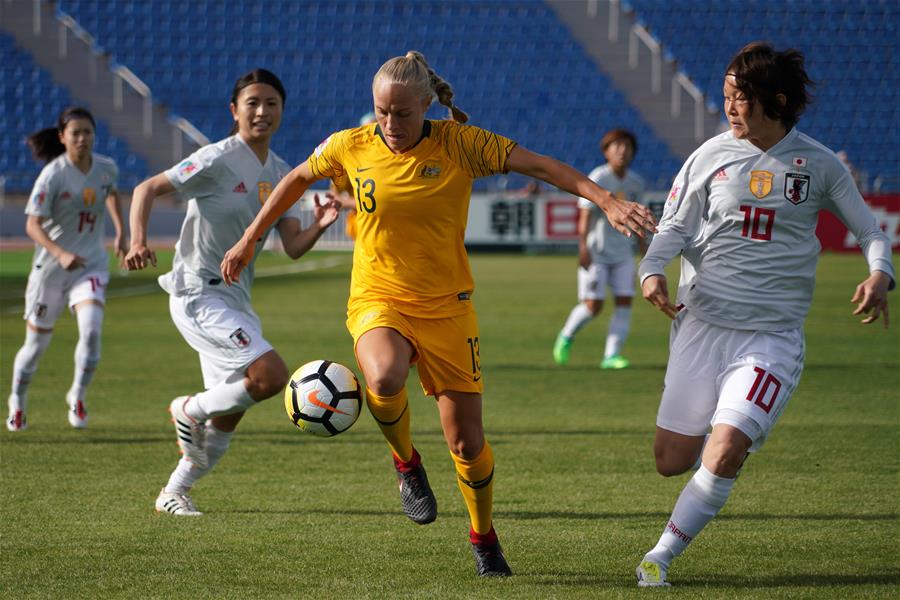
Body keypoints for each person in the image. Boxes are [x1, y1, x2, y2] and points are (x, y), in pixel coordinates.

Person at [220, 51, 656, 577]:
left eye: (403, 113)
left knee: (466, 443)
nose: (391, 124)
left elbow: (540, 165)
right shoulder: (349, 146)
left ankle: (484, 537)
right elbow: (295, 179)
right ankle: (406, 463)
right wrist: (249, 238)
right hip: (378, 297)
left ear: (426, 105)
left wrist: (605, 200)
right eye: (382, 112)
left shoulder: (461, 144)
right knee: (382, 375)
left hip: (448, 309)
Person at [634, 42, 894, 587]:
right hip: (701, 326)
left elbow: (870, 231)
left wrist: (880, 273)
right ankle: (729, 428)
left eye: (740, 97)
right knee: (670, 459)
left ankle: (659, 557)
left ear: (774, 100)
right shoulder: (707, 157)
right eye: (727, 96)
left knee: (725, 449)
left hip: (770, 338)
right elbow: (674, 229)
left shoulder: (819, 165)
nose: (729, 107)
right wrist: (651, 272)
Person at [124, 69, 340, 516]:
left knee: (228, 418)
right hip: (197, 293)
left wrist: (319, 225)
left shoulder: (280, 171)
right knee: (271, 376)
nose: (262, 112)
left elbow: (293, 247)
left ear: (282, 110)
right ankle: (186, 408)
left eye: (271, 104)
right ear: (234, 110)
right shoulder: (216, 158)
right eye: (253, 103)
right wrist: (138, 240)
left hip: (235, 301)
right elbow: (147, 189)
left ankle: (172, 493)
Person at [6, 107, 126, 431]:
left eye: (88, 132)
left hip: (90, 266)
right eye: (75, 133)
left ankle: (78, 395)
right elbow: (32, 225)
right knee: (35, 347)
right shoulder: (53, 174)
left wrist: (122, 232)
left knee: (91, 331)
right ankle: (17, 399)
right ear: (62, 137)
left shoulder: (106, 168)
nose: (82, 138)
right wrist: (59, 253)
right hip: (51, 271)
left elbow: (112, 194)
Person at [552, 128, 646, 369]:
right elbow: (585, 215)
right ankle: (566, 335)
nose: (622, 151)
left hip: (623, 253)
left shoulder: (636, 183)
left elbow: (637, 219)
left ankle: (611, 356)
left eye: (627, 147)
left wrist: (644, 250)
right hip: (598, 253)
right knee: (593, 306)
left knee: (624, 301)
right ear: (606, 151)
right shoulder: (598, 178)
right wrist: (583, 247)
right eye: (617, 146)